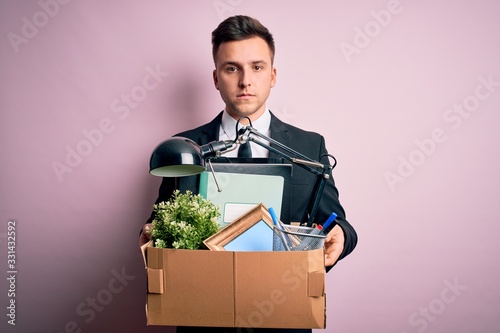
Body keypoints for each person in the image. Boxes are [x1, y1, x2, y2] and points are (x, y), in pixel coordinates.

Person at [141, 15, 357, 333]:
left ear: (273, 75)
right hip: (203, 315)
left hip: (284, 315)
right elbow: (161, 221)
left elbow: (337, 221)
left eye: (256, 67)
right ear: (216, 78)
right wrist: (152, 233)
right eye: (232, 68)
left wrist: (341, 235)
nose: (245, 81)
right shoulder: (184, 148)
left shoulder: (309, 146)